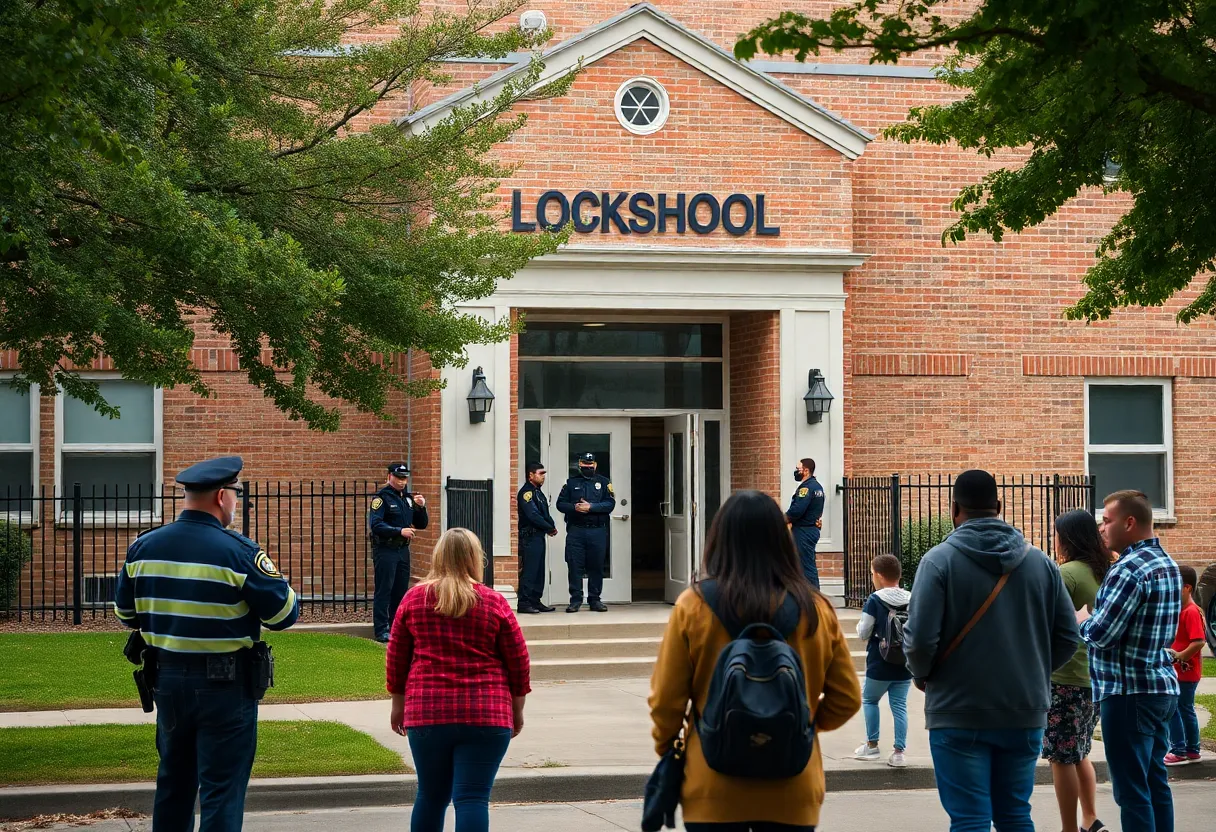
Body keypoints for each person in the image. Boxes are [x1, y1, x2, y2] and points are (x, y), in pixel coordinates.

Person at [649, 490, 861, 830]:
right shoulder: (816, 609)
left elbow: (666, 700)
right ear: (782, 539)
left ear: (719, 539)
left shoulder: (694, 605)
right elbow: (847, 697)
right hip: (793, 782)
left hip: (712, 782)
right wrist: (796, 725)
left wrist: (670, 747)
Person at [112, 456, 300, 832]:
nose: (238, 502)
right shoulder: (240, 552)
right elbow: (283, 615)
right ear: (221, 496)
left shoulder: (143, 547)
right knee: (222, 791)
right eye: (237, 494)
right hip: (225, 688)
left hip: (166, 682)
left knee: (173, 784)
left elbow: (126, 615)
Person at [902, 469, 1079, 832]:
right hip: (1024, 708)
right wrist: (1033, 670)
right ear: (999, 506)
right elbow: (1068, 637)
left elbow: (919, 640)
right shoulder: (1041, 563)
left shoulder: (938, 561)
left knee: (970, 820)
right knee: (1015, 814)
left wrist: (923, 674)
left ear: (955, 509)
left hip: (958, 708)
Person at [387, 528, 530, 832]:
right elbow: (518, 663)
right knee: (472, 798)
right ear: (475, 558)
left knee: (431, 795)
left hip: (427, 711)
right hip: (487, 713)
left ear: (438, 556)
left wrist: (398, 706)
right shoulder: (493, 602)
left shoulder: (414, 600)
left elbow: (397, 660)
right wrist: (516, 711)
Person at [1079, 490, 1181, 832]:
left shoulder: (1128, 569)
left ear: (1130, 522)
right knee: (1155, 783)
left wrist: (1082, 620)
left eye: (1107, 521)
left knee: (1132, 790)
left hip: (1127, 692)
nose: (1102, 528)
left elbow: (1103, 635)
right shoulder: (1167, 563)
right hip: (1160, 687)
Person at [1044, 510, 1110, 832]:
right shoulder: (1104, 570)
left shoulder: (1065, 573)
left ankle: (1069, 828)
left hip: (1065, 677)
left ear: (1067, 538)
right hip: (1094, 676)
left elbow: (1046, 624)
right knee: (1080, 750)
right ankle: (1090, 817)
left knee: (1061, 757)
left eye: (1057, 533)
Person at [854, 553, 912, 768]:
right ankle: (899, 753)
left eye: (871, 574)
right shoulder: (911, 597)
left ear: (878, 575)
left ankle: (872, 745)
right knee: (899, 705)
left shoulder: (875, 599)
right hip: (905, 661)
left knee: (870, 700)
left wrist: (861, 628)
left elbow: (864, 631)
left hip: (880, 659)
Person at [369, 462, 428, 642]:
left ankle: (395, 626)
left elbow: (421, 524)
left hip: (403, 550)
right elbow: (376, 524)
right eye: (398, 477)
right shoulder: (381, 499)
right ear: (389, 477)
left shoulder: (407, 499)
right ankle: (381, 630)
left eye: (404, 478)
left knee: (400, 590)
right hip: (386, 549)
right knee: (384, 589)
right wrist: (398, 531)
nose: (402, 482)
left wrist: (421, 507)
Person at [555, 452, 614, 613]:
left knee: (596, 566)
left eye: (590, 465)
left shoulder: (603, 483)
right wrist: (574, 507)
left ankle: (595, 599)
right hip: (576, 531)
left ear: (595, 465)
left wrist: (591, 507)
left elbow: (610, 504)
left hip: (597, 532)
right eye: (584, 465)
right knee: (575, 566)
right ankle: (575, 600)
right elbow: (560, 504)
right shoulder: (570, 483)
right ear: (580, 465)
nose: (588, 468)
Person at [1164, 564, 1205, 766]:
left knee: (1177, 709)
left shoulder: (1191, 611)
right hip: (1179, 671)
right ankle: (1192, 749)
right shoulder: (1180, 610)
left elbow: (1199, 641)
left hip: (1185, 672)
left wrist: (1180, 656)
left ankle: (1179, 748)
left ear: (1187, 587)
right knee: (1184, 708)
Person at [516, 461, 557, 614]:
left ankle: (535, 600)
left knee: (539, 570)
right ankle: (524, 602)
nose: (543, 477)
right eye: (540, 474)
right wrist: (549, 527)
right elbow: (533, 515)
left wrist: (551, 526)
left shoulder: (538, 493)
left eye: (544, 474)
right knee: (530, 570)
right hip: (529, 537)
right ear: (531, 475)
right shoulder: (526, 493)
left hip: (538, 536)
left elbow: (544, 514)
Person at [785, 458, 825, 588]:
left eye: (798, 469)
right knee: (805, 563)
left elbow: (797, 510)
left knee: (806, 565)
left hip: (803, 531)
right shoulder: (817, 486)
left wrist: (782, 518)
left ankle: (814, 598)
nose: (796, 472)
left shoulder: (806, 488)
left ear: (806, 471)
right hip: (811, 529)